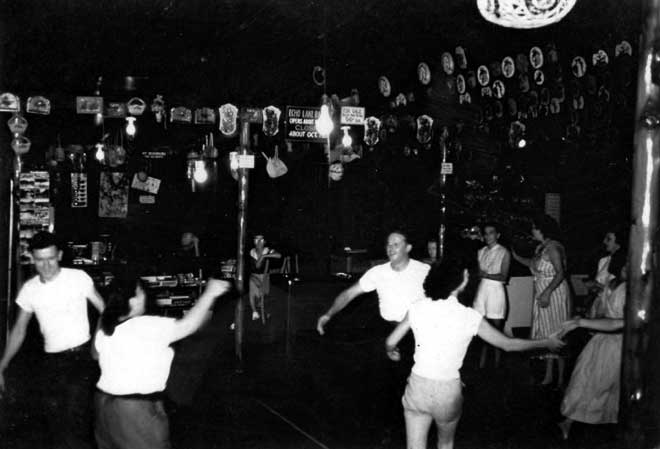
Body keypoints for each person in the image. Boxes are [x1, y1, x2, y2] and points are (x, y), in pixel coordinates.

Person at [385, 251, 564, 449]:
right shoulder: (470, 316)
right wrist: (545, 342)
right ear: (461, 283)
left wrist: (391, 351)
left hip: (417, 387)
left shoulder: (417, 307)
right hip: (447, 391)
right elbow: (508, 344)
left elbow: (391, 341)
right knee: (445, 444)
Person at [316, 230, 430, 443]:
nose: (391, 248)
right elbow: (349, 293)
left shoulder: (424, 270)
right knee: (381, 383)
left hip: (417, 333)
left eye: (396, 244)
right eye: (388, 244)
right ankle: (386, 431)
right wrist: (328, 314)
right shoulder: (378, 272)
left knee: (413, 386)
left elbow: (442, 299)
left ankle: (414, 434)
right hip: (386, 329)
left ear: (408, 247)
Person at [94, 275, 232, 449]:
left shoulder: (107, 330)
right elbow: (188, 326)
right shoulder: (147, 325)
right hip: (134, 412)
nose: (145, 296)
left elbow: (96, 354)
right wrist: (210, 293)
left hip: (103, 407)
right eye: (142, 293)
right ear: (133, 300)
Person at [0, 231, 106, 449]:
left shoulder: (78, 277)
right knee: (55, 423)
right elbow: (19, 330)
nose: (46, 265)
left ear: (59, 255)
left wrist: (100, 346)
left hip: (81, 358)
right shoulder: (30, 289)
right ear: (32, 258)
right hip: (51, 363)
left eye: (50, 258)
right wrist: (2, 364)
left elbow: (106, 311)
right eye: (39, 260)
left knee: (76, 422)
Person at [557, 249, 627, 440]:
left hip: (619, 343)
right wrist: (587, 321)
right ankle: (570, 420)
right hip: (603, 338)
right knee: (584, 377)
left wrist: (584, 323)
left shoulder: (634, 289)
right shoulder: (613, 284)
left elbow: (623, 323)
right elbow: (603, 312)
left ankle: (606, 425)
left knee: (604, 385)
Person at [513, 214, 571, 387]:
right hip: (543, 291)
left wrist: (547, 292)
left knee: (558, 332)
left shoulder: (553, 248)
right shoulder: (542, 247)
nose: (532, 231)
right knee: (547, 331)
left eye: (534, 228)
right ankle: (548, 375)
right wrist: (515, 256)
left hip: (554, 293)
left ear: (542, 229)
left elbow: (560, 273)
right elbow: (532, 264)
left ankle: (561, 379)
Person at [473, 222, 511, 369]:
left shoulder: (504, 252)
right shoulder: (480, 252)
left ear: (498, 235)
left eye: (491, 232)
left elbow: (504, 277)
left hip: (496, 293)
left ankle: (497, 367)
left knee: (496, 332)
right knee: (481, 330)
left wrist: (486, 274)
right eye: (486, 233)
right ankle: (481, 366)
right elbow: (478, 274)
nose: (488, 236)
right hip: (482, 292)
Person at [584, 228, 625, 316]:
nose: (604, 242)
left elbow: (620, 289)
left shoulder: (624, 263)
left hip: (613, 308)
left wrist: (599, 286)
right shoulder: (603, 260)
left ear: (618, 243)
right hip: (600, 304)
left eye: (609, 239)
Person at [249, 234, 281, 321]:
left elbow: (278, 255)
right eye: (257, 239)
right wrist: (262, 257)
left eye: (261, 240)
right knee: (252, 292)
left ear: (264, 241)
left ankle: (265, 311)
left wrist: (264, 256)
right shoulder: (252, 252)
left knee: (264, 295)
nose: (259, 242)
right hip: (254, 276)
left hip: (265, 276)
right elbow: (257, 266)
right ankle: (254, 311)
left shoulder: (267, 250)